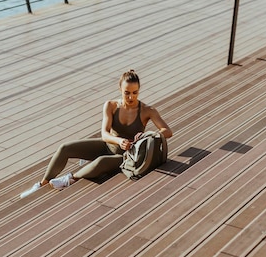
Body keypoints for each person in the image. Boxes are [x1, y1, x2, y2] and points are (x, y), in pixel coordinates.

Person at [20, 70, 173, 198]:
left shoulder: (147, 110)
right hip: (107, 145)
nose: (131, 97)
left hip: (126, 157)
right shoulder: (111, 106)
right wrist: (119, 141)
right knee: (65, 147)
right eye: (127, 93)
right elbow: (104, 134)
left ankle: (70, 179)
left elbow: (167, 131)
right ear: (120, 89)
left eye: (135, 93)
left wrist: (146, 136)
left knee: (101, 161)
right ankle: (42, 184)